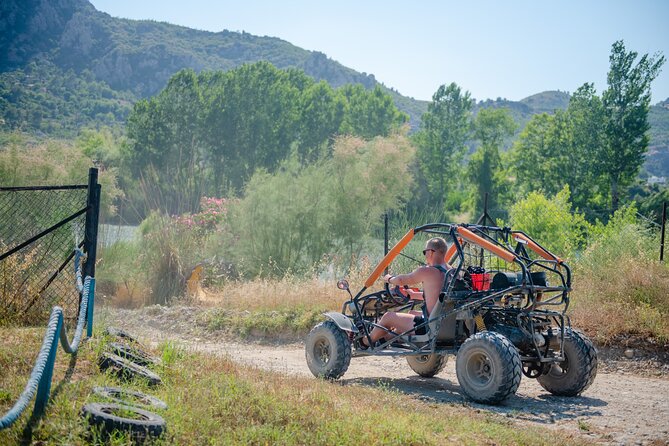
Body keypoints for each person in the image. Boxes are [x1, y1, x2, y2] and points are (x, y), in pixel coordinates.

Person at [361, 237, 451, 348]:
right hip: (446, 324)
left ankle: (365, 342)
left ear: (431, 252)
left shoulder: (427, 271)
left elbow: (401, 280)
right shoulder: (451, 272)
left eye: (425, 252)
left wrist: (389, 278)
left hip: (430, 326)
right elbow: (438, 296)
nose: (425, 255)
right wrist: (413, 295)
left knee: (387, 317)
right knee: (412, 313)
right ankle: (385, 339)